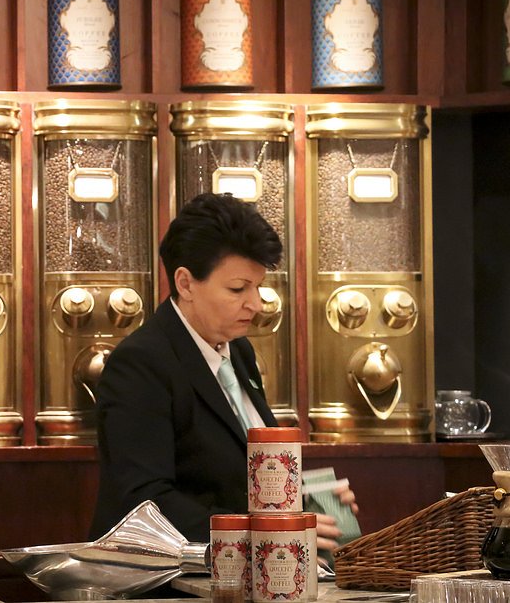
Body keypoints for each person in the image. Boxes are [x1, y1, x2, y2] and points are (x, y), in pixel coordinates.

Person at [89, 192, 357, 553]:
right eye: (237, 288)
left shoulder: (239, 350)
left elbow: (239, 481)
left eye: (258, 286)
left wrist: (306, 501)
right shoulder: (141, 363)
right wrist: (263, 531)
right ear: (185, 284)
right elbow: (142, 502)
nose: (256, 304)